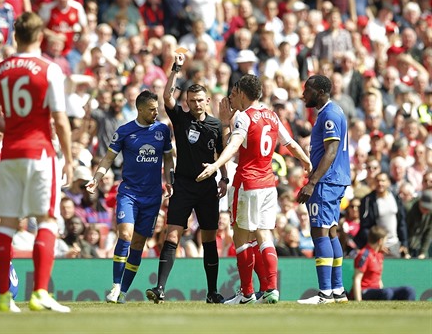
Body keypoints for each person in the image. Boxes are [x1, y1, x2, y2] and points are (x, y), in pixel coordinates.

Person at [0, 12, 73, 313]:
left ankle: (5, 298)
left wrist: (16, 128)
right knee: (46, 220)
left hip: (9, 155)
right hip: (39, 153)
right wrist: (69, 159)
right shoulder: (48, 68)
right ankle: (40, 294)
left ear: (15, 36)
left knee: (6, 224)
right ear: (39, 37)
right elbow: (60, 119)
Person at [196, 74, 311, 305]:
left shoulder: (244, 117)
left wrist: (216, 166)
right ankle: (271, 289)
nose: (231, 97)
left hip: (247, 184)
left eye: (234, 93)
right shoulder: (272, 116)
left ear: (242, 94)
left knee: (240, 236)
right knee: (264, 234)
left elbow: (234, 145)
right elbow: (290, 144)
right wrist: (306, 161)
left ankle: (247, 293)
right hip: (269, 185)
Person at [146, 53, 229, 305]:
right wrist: (176, 69)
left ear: (207, 101)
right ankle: (160, 288)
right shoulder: (181, 119)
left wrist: (224, 178)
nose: (196, 104)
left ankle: (212, 291)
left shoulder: (216, 125)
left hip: (207, 188)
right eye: (192, 100)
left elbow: (222, 152)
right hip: (183, 184)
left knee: (209, 238)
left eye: (200, 100)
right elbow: (167, 97)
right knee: (172, 235)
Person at [86, 90, 174, 304]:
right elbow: (108, 159)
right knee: (125, 235)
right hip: (129, 193)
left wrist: (170, 180)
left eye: (157, 108)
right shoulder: (125, 131)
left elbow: (168, 159)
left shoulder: (162, 130)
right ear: (140, 109)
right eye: (152, 109)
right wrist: (96, 179)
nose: (156, 112)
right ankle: (116, 285)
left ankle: (123, 291)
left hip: (152, 196)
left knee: (138, 243)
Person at [297, 75, 351, 304]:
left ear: (319, 91)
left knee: (319, 232)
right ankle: (337, 291)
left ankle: (325, 293)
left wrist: (312, 182)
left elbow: (331, 150)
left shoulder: (329, 114)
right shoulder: (333, 111)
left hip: (326, 181)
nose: (303, 94)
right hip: (335, 180)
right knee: (330, 232)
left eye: (307, 90)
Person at [351, 226, 416, 301]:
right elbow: (357, 279)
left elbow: (378, 279)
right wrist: (358, 301)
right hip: (365, 291)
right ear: (380, 241)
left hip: (377, 290)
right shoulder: (364, 255)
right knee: (387, 293)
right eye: (385, 240)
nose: (386, 243)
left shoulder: (379, 255)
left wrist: (381, 290)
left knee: (409, 290)